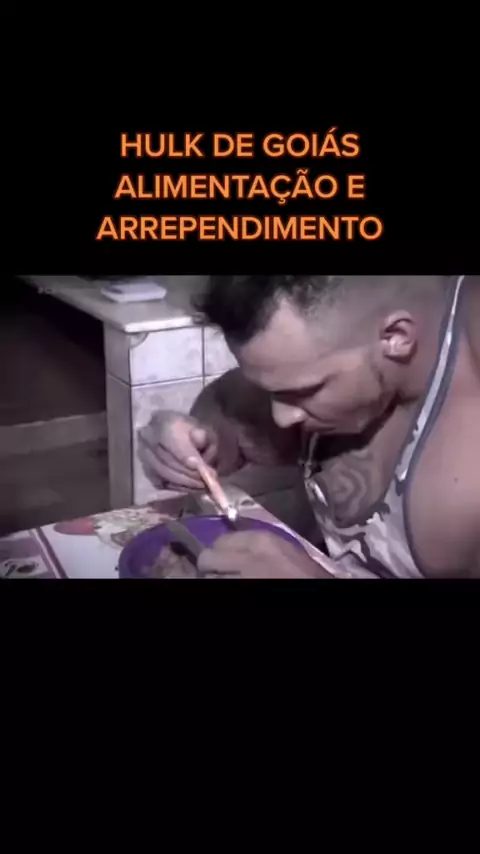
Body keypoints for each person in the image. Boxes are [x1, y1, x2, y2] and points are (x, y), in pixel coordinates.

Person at [139, 275, 480, 579]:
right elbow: (225, 407)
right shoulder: (322, 351)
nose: (282, 418)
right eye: (271, 391)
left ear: (396, 336)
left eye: (305, 391)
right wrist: (199, 442)